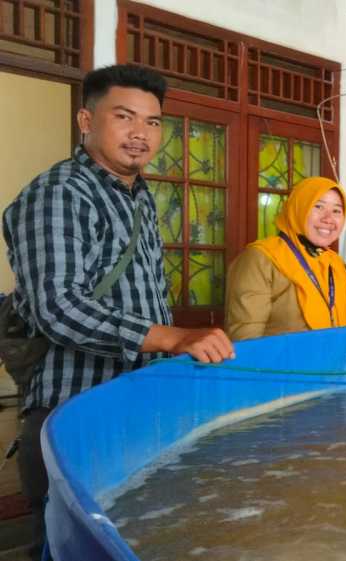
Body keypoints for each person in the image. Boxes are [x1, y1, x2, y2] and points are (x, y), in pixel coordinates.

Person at [2, 64, 234, 560]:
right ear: (86, 120)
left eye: (152, 122)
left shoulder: (140, 196)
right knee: (75, 543)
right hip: (74, 410)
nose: (140, 134)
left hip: (135, 400)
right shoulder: (58, 194)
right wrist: (172, 338)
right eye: (124, 116)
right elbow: (58, 307)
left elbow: (144, 291)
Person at [225, 177, 346, 340]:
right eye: (318, 206)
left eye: (337, 210)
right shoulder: (261, 258)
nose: (328, 218)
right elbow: (246, 340)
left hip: (335, 363)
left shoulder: (335, 263)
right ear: (298, 208)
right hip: (282, 364)